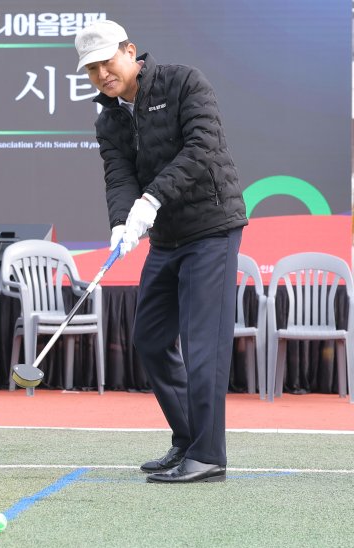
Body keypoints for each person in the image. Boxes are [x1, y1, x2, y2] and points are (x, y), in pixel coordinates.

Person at [75, 20, 247, 483]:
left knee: (201, 345)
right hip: (167, 238)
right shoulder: (109, 116)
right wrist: (120, 223)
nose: (101, 74)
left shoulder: (183, 82)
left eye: (107, 61)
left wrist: (150, 201)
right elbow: (119, 174)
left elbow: (202, 147)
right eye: (91, 69)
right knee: (149, 339)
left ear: (130, 51)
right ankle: (188, 436)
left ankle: (208, 455)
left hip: (212, 227)